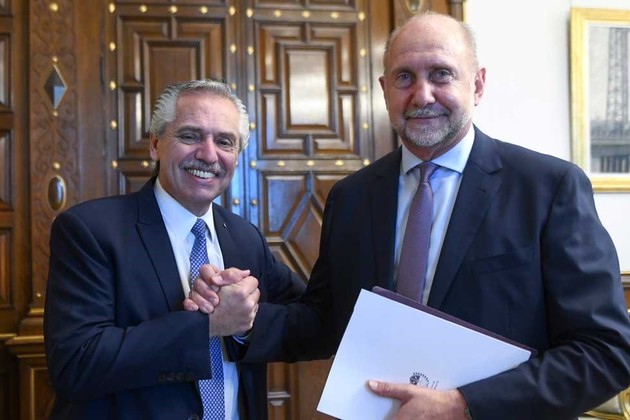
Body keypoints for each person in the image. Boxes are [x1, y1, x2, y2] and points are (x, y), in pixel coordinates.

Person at [187, 12, 630, 419]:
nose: (422, 95)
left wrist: (463, 405)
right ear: (384, 90)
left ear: (477, 85)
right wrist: (239, 319)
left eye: (441, 74)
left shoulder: (548, 188)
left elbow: (607, 351)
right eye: (404, 77)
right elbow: (326, 321)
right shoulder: (352, 197)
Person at [43, 79, 305, 420]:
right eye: (190, 136)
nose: (208, 154)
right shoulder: (89, 231)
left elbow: (309, 319)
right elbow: (75, 365)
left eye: (224, 141)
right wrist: (208, 324)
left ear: (237, 156)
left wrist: (244, 324)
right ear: (155, 144)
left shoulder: (246, 238)